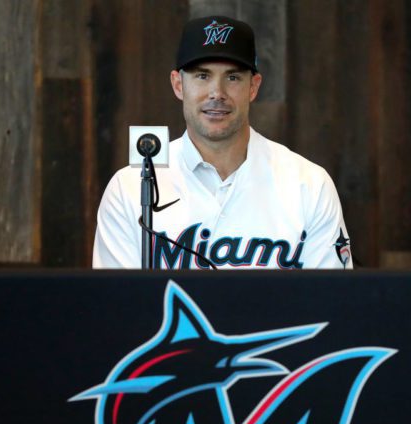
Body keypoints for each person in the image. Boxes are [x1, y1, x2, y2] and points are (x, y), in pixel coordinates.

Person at [93, 16, 352, 269]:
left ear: (253, 86)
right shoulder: (128, 188)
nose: (217, 93)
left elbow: (329, 304)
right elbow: (119, 308)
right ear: (178, 84)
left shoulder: (310, 185)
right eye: (202, 76)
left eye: (233, 77)